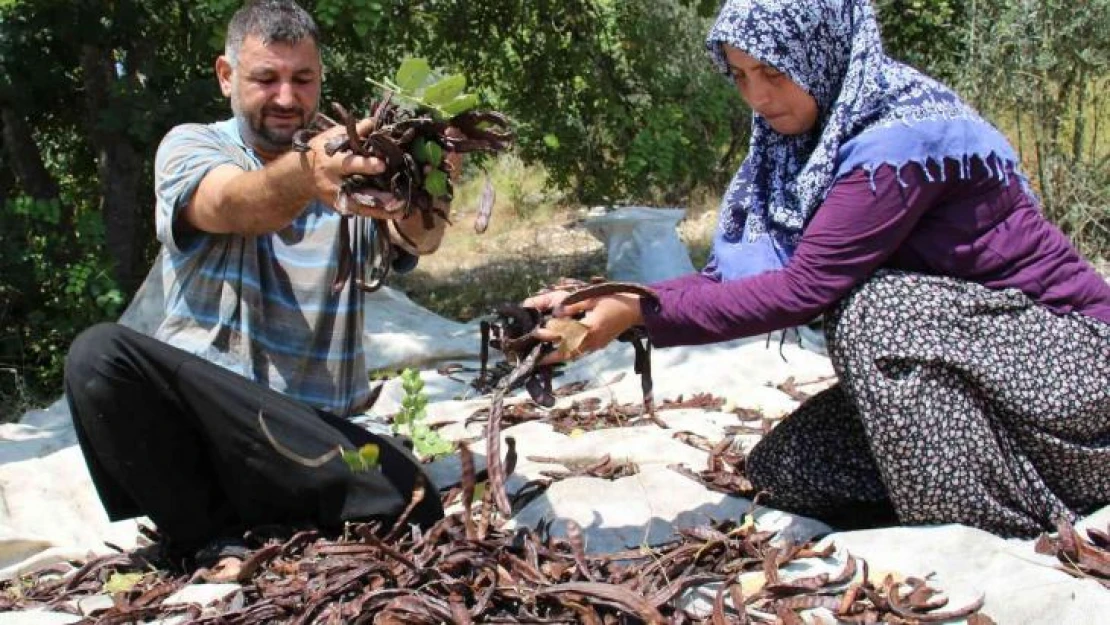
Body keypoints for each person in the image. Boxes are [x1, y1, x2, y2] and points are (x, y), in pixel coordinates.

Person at [526, 0, 1110, 538]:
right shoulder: (805, 144)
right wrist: (602, 297)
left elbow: (806, 287)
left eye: (774, 73)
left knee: (877, 313)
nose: (757, 96)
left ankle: (989, 525)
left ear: (820, 52)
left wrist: (639, 314)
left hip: (1073, 364)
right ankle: (1024, 483)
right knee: (789, 471)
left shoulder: (900, 138)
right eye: (741, 75)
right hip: (976, 373)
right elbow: (731, 283)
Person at [64, 0, 445, 571]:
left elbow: (420, 238)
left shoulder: (357, 163)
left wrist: (424, 183)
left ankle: (277, 518)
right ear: (227, 76)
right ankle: (206, 538)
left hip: (312, 438)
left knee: (411, 496)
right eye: (266, 78)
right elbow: (233, 204)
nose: (287, 98)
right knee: (98, 357)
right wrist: (308, 174)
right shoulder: (193, 145)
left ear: (321, 78)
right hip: (212, 433)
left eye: (303, 79)